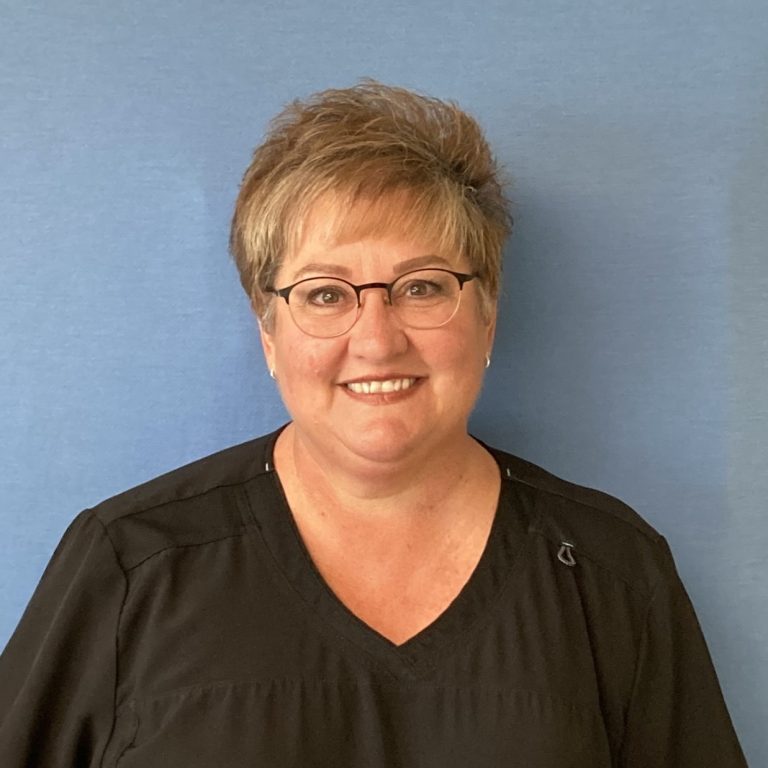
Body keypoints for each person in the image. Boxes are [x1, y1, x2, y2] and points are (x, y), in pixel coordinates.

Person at [0, 82, 747, 767]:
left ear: (487, 316)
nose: (377, 340)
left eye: (422, 287)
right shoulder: (132, 566)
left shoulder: (614, 575)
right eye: (326, 294)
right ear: (268, 332)